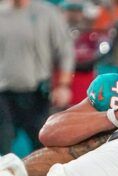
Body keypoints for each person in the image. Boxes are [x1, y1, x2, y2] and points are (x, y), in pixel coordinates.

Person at [0, 0, 75, 154]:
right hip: (4, 93)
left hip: (36, 93)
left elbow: (65, 51)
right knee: (3, 147)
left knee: (42, 147)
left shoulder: (47, 13)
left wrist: (63, 85)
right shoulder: (2, 13)